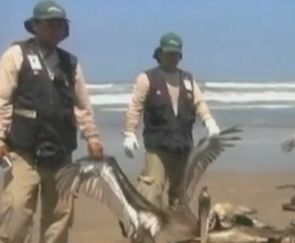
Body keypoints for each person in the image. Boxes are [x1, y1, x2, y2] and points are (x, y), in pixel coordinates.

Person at [0, 1, 104, 242]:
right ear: (35, 26)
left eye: (58, 25)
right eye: (49, 24)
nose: (54, 30)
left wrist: (93, 137)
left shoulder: (71, 64)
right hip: (23, 151)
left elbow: (83, 106)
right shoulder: (16, 55)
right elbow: (2, 98)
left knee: (60, 218)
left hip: (60, 153)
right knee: (15, 211)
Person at [123, 32, 220, 209]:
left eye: (175, 54)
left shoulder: (187, 79)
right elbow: (135, 106)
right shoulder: (147, 78)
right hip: (158, 147)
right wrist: (130, 133)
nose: (172, 58)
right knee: (151, 193)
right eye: (168, 54)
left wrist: (209, 121)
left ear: (180, 55)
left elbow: (199, 102)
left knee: (180, 197)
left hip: (183, 146)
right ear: (160, 54)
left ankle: (177, 233)